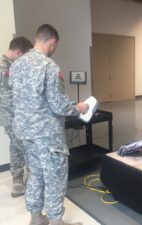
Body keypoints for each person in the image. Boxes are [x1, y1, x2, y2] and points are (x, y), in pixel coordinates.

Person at [10, 24, 88, 225]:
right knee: (55, 177)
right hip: (47, 135)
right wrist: (79, 107)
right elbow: (59, 106)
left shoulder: (16, 65)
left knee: (35, 175)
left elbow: (15, 99)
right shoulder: (48, 66)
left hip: (25, 133)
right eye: (56, 46)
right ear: (52, 42)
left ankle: (36, 219)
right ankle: (55, 222)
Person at [0, 36, 33, 197]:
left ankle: (18, 180)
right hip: (12, 116)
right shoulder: (5, 68)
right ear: (18, 52)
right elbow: (9, 98)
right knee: (24, 145)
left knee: (16, 145)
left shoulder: (10, 66)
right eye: (24, 56)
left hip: (13, 116)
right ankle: (27, 180)